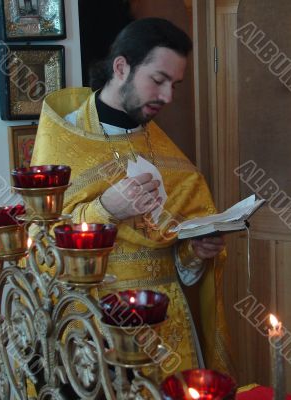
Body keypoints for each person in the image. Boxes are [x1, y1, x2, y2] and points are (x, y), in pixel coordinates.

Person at [31, 17, 233, 377]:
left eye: (175, 84)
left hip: (166, 326)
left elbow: (177, 258)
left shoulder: (172, 160)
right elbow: (41, 242)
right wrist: (106, 209)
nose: (168, 97)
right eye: (158, 80)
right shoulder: (64, 141)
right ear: (121, 67)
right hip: (93, 323)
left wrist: (195, 253)